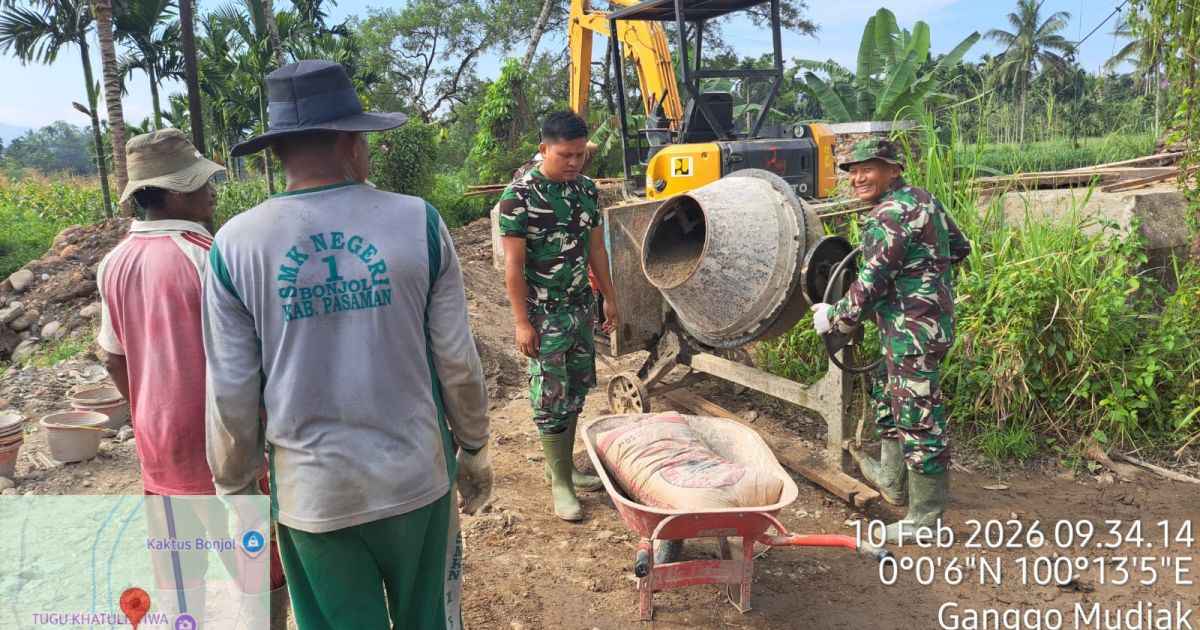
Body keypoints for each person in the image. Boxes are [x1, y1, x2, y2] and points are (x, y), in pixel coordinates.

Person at [203, 59, 491, 630]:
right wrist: (475, 447)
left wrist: (236, 487)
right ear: (349, 140)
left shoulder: (235, 245)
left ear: (277, 151)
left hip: (313, 497)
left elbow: (231, 391)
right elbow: (457, 360)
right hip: (416, 479)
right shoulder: (418, 223)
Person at [97, 128, 289, 627]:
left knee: (180, 579)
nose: (212, 190)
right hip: (223, 453)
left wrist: (148, 413)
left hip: (159, 455)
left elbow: (113, 358)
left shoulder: (113, 263)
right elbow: (254, 360)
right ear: (177, 191)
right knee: (259, 576)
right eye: (202, 181)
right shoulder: (209, 255)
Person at [809, 139, 971, 544]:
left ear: (893, 169)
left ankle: (925, 519)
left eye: (868, 168)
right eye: (852, 171)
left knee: (917, 417)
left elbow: (870, 284)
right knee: (890, 394)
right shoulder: (923, 200)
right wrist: (924, 278)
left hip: (911, 333)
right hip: (924, 326)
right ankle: (893, 481)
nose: (857, 178)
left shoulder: (888, 215)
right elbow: (959, 247)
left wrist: (834, 316)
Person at [498, 111, 617, 522]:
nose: (574, 162)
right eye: (565, 155)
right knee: (550, 397)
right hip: (542, 313)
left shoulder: (586, 190)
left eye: (580, 155)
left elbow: (596, 249)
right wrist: (521, 322)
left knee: (576, 389)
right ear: (544, 148)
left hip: (579, 308)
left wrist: (609, 297)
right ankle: (560, 484)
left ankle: (562, 468)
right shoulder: (519, 196)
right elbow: (513, 266)